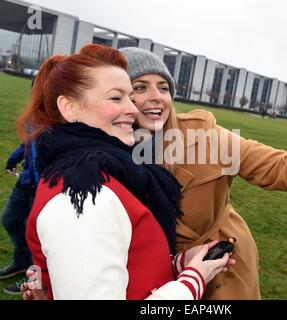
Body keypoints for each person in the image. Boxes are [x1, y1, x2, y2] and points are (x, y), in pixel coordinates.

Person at [22, 46, 287, 300]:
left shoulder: (207, 138)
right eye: (138, 88)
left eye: (164, 87)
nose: (154, 98)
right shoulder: (95, 156)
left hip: (221, 278)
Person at [17, 44, 233, 300]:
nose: (132, 109)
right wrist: (193, 280)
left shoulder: (108, 171)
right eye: (116, 98)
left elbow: (126, 264)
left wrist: (180, 263)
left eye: (130, 97)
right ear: (69, 107)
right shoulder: (82, 197)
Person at [0, 140, 39, 295]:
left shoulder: (65, 117)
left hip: (45, 184)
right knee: (10, 219)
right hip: (26, 179)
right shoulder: (35, 116)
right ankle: (22, 261)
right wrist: (15, 158)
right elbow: (30, 141)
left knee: (38, 234)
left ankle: (35, 279)